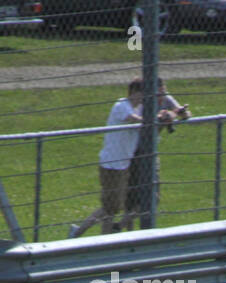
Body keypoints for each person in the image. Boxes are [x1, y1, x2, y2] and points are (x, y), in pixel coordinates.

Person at [69, 80, 175, 238]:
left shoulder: (139, 107)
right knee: (110, 208)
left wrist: (167, 115)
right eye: (143, 93)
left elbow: (156, 114)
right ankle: (90, 237)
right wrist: (157, 118)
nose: (146, 97)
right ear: (133, 92)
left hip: (124, 164)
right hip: (112, 165)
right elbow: (136, 119)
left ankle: (88, 235)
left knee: (118, 206)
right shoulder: (121, 106)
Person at [121, 79, 191, 232]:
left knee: (154, 197)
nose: (161, 97)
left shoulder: (166, 98)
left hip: (152, 153)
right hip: (136, 153)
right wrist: (160, 118)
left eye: (163, 92)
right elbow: (143, 123)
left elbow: (183, 113)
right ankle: (126, 232)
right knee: (131, 198)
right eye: (158, 94)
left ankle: (120, 226)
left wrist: (178, 113)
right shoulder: (142, 103)